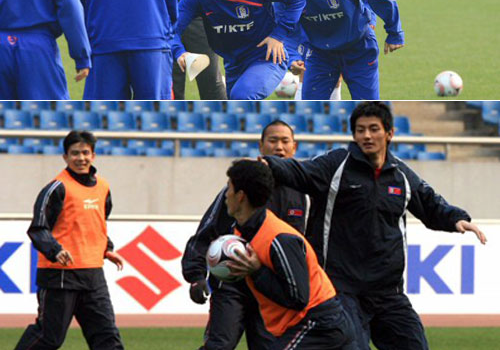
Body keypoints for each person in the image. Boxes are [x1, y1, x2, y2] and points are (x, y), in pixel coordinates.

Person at [262, 101, 488, 350]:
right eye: (360, 130)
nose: (366, 136)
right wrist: (270, 164)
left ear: (389, 133)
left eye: (373, 129)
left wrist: (456, 218)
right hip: (341, 290)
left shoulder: (400, 174)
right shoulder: (336, 165)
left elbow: (430, 203)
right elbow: (301, 172)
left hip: (388, 293)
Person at [182, 120, 309, 350]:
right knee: (218, 346)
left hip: (273, 289)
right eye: (272, 141)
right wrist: (195, 275)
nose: (279, 147)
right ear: (261, 146)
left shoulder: (305, 193)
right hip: (232, 283)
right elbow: (207, 231)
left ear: (294, 147)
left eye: (284, 141)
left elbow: (310, 246)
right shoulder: (238, 188)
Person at [225, 159, 355, 350]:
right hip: (304, 324)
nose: (225, 195)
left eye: (229, 188)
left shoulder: (279, 238)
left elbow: (299, 298)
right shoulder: (241, 232)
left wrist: (257, 271)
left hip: (320, 322)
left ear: (241, 196)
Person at [14, 130, 125, 350]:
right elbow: (38, 228)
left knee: (107, 337)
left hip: (93, 274)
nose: (81, 158)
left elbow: (96, 223)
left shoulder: (103, 187)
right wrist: (55, 250)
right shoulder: (56, 188)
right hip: (60, 274)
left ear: (93, 155)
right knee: (49, 337)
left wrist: (106, 248)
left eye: (85, 152)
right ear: (65, 157)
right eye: (75, 153)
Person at [172, 0, 306, 100]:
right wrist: (179, 52)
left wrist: (278, 36)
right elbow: (172, 29)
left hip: (266, 58)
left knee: (242, 97)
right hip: (233, 64)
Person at [281, 0, 403, 100]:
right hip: (320, 54)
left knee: (367, 106)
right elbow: (283, 29)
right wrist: (293, 58)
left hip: (359, 48)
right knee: (311, 105)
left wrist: (394, 32)